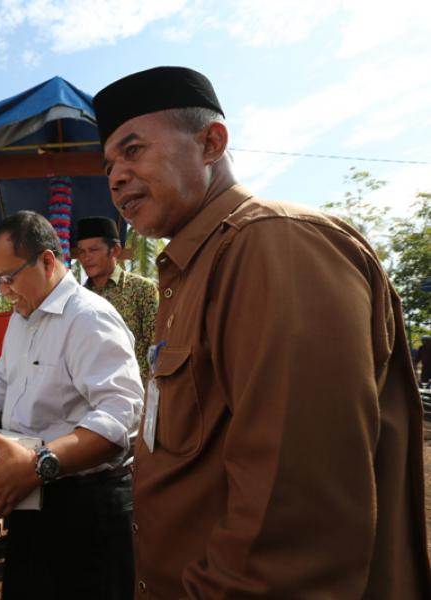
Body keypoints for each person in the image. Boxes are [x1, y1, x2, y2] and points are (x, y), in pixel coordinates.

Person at [94, 66, 431, 598]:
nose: (114, 177)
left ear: (211, 143)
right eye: (109, 163)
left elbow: (293, 524)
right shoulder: (191, 267)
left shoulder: (274, 246)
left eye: (132, 150)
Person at [0, 211, 144, 599]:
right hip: (35, 491)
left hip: (86, 505)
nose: (4, 290)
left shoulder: (89, 318)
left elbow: (121, 416)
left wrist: (40, 464)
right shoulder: (23, 315)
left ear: (47, 261)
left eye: (10, 277)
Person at [76, 216, 158, 380]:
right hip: (88, 397)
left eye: (93, 250)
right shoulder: (77, 297)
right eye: (82, 252)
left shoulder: (141, 289)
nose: (86, 258)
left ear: (115, 250)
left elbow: (157, 348)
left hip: (134, 397)